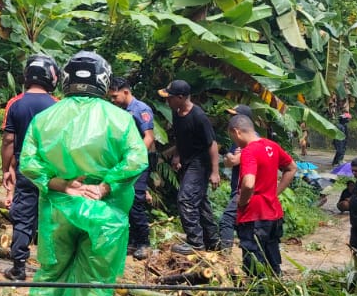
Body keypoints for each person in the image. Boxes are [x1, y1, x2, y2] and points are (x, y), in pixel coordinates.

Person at [19, 52, 150, 296]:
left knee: (51, 273)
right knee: (93, 281)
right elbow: (136, 159)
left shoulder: (45, 118)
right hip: (104, 214)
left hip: (58, 208)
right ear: (103, 80)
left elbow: (28, 161)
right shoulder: (119, 119)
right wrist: (105, 187)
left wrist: (61, 184)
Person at [0, 55, 59, 281]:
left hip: (26, 169)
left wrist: (7, 169)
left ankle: (19, 268)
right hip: (52, 171)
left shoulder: (15, 103)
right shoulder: (57, 105)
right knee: (51, 217)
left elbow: (8, 140)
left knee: (23, 217)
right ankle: (51, 268)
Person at [229, 112, 296, 274]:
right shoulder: (271, 145)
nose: (234, 141)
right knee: (272, 260)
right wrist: (275, 192)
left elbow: (249, 183)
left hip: (254, 216)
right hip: (273, 213)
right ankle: (276, 291)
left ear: (237, 132)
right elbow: (292, 167)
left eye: (232, 137)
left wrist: (242, 202)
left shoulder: (249, 151)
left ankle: (257, 294)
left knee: (255, 265)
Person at [161, 79, 221, 254]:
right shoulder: (177, 112)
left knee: (186, 199)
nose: (167, 101)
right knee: (199, 201)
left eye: (170, 98)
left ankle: (195, 243)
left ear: (180, 97)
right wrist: (178, 156)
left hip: (201, 163)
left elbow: (212, 144)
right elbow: (181, 138)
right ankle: (213, 241)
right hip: (187, 161)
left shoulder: (198, 116)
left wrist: (215, 172)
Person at [107, 78, 157, 260]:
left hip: (138, 162)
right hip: (127, 162)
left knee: (136, 200)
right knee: (125, 200)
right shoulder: (123, 111)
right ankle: (132, 241)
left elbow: (149, 137)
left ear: (126, 92)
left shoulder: (140, 109)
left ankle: (144, 243)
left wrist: (134, 159)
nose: (113, 100)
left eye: (115, 96)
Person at [217, 104, 254, 254]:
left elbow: (232, 161)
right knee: (243, 225)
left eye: (235, 116)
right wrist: (231, 157)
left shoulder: (252, 139)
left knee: (227, 219)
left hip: (244, 189)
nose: (231, 119)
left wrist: (231, 158)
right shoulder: (237, 139)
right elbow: (228, 161)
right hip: (237, 188)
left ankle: (225, 256)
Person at [330, 99, 351, 167]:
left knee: (341, 151)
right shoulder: (339, 126)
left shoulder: (344, 125)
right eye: (346, 119)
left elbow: (346, 134)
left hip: (343, 140)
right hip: (339, 141)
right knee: (340, 151)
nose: (348, 120)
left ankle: (336, 161)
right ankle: (338, 161)